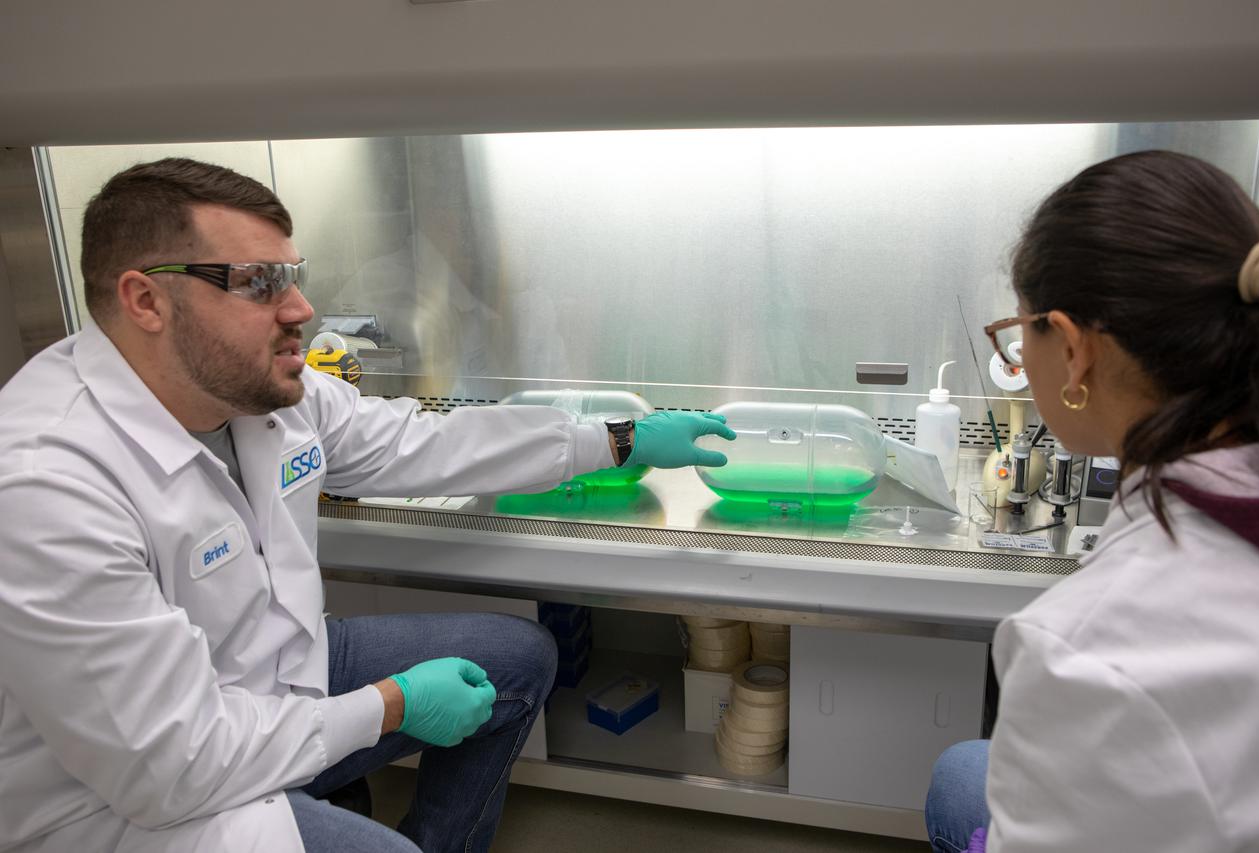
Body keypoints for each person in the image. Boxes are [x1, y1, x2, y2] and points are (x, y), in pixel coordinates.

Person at [0, 158, 736, 853]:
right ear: (145, 300)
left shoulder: (259, 391)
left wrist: (618, 438)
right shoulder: (46, 486)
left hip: (278, 673)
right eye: (258, 282)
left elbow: (424, 444)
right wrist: (388, 704)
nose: (302, 307)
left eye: (293, 276)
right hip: (138, 803)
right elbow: (173, 764)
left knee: (517, 657)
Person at [924, 149, 1259, 852]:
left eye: (1020, 331)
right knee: (968, 770)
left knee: (960, 775)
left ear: (1074, 349)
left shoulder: (1083, 654)